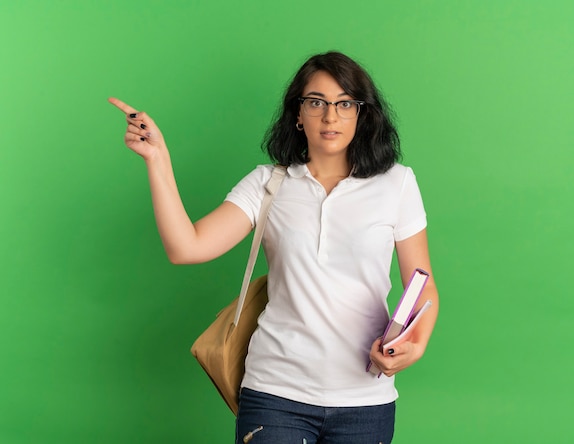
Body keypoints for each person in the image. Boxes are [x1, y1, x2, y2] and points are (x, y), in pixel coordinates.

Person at [109, 51, 439, 444]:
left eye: (344, 103)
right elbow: (187, 247)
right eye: (316, 102)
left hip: (365, 400)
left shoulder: (396, 184)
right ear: (298, 114)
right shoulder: (268, 183)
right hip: (275, 394)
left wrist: (414, 346)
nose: (330, 116)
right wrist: (158, 159)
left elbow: (423, 286)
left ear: (361, 114)